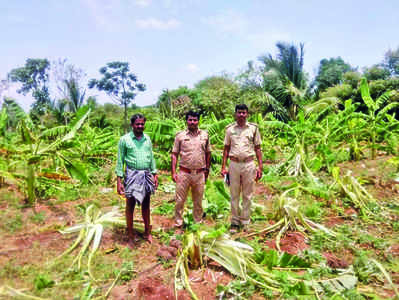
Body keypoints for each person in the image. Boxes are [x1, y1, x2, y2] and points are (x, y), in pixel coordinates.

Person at [116, 114, 158, 245]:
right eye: (137, 124)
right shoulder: (125, 140)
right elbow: (120, 160)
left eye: (142, 124)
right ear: (132, 125)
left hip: (146, 174)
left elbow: (151, 157)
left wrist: (154, 173)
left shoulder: (147, 139)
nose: (140, 126)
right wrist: (119, 180)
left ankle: (147, 232)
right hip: (131, 174)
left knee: (146, 204)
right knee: (130, 205)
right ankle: (130, 234)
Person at [221, 104, 263, 233]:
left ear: (247, 114)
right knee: (234, 194)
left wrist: (260, 166)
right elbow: (226, 148)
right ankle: (234, 222)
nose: (241, 115)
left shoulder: (253, 129)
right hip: (233, 165)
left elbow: (257, 148)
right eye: (239, 112)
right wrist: (223, 167)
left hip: (249, 164)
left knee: (247, 194)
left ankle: (245, 221)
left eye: (244, 112)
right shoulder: (230, 129)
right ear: (235, 114)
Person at [171, 111, 211, 232]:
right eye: (190, 120)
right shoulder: (180, 136)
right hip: (184, 173)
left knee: (198, 201)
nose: (192, 122)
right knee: (179, 200)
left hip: (199, 173)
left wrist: (207, 170)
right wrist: (173, 172)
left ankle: (197, 224)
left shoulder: (205, 135)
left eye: (195, 120)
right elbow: (174, 154)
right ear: (186, 121)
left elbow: (208, 153)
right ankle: (178, 224)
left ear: (198, 121)